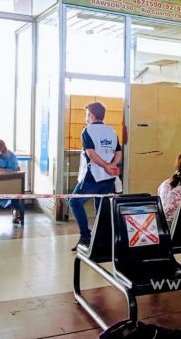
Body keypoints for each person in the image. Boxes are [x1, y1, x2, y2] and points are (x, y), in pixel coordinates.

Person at [69, 102, 122, 251]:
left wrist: (106, 166)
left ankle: (85, 236)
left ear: (91, 115)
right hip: (108, 178)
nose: (86, 117)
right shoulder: (111, 131)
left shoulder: (87, 131)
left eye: (87, 114)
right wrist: (112, 165)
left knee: (74, 202)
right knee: (100, 206)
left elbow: (90, 153)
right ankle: (100, 239)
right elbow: (118, 152)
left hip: (92, 176)